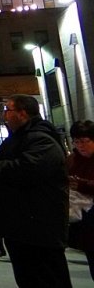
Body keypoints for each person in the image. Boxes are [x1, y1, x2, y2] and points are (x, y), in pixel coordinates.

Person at [0, 94, 72, 288]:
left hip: (38, 227)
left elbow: (27, 169)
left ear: (22, 113)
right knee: (28, 277)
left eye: (8, 110)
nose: (4, 115)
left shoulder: (41, 139)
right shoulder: (22, 138)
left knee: (46, 278)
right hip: (22, 226)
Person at [68, 120, 94, 281]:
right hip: (84, 222)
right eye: (77, 141)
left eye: (85, 141)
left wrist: (82, 184)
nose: (80, 145)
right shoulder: (72, 160)